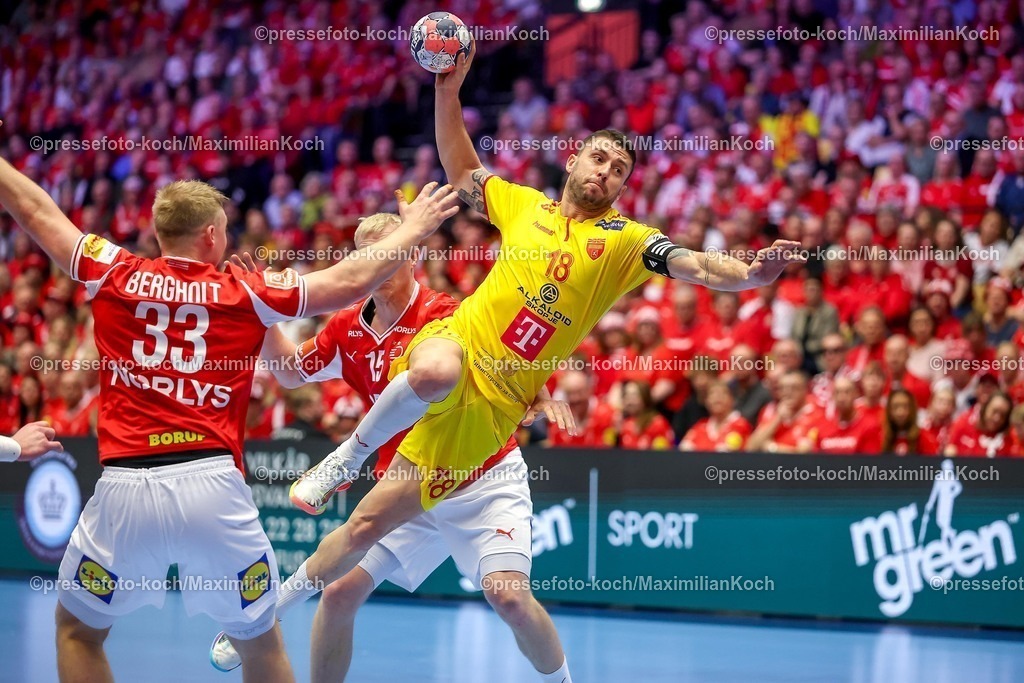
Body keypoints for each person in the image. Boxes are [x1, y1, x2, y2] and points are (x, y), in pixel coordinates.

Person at [272, 46, 802, 683]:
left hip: (490, 418)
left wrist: (750, 273)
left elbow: (697, 266)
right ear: (573, 160)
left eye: (619, 169)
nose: (606, 172)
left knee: (501, 595)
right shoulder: (524, 205)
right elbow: (461, 167)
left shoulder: (626, 243)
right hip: (457, 344)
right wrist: (446, 90)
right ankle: (348, 458)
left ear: (623, 187)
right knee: (434, 370)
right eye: (599, 158)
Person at [0, 142, 459, 683]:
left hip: (125, 487)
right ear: (212, 235)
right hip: (214, 488)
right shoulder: (244, 290)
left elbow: (34, 210)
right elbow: (350, 281)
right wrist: (416, 227)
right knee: (260, 645)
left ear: (159, 232)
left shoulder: (111, 269)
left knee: (78, 631)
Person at [209, 214, 576, 682]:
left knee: (510, 599)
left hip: (480, 477)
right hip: (407, 487)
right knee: (339, 592)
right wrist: (261, 309)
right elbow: (288, 371)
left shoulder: (445, 312)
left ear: (414, 254)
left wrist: (541, 392)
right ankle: (268, 623)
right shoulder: (347, 328)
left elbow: (504, 354)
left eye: (391, 250)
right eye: (368, 253)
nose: (379, 261)